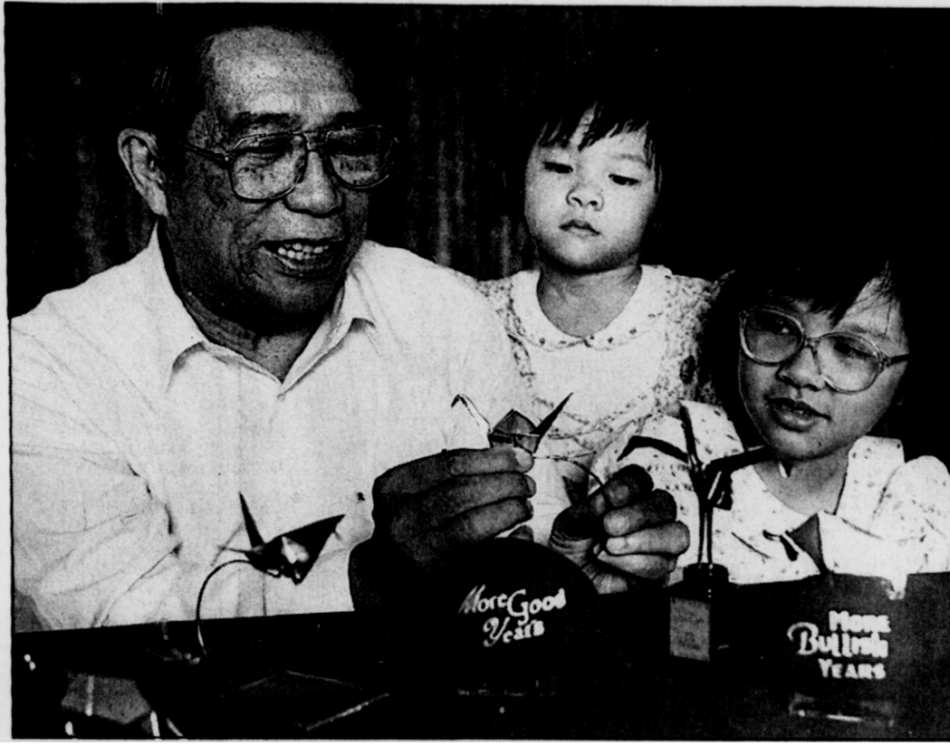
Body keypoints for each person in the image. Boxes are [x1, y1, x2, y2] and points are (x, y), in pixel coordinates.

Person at [11, 18, 687, 629]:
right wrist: (374, 578)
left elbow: (520, 557)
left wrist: (576, 563)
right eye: (263, 152)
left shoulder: (445, 312)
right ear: (152, 170)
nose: (320, 194)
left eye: (349, 146)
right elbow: (114, 622)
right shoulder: (47, 366)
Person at [596, 236, 950, 593]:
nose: (801, 372)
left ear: (907, 381)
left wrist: (827, 543)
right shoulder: (669, 457)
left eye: (850, 349)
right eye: (777, 326)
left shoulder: (915, 490)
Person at [479, 68, 715, 493]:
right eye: (559, 166)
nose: (585, 194)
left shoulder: (700, 312)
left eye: (621, 178)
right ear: (518, 180)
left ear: (662, 202)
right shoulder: (474, 310)